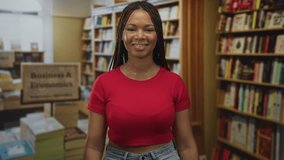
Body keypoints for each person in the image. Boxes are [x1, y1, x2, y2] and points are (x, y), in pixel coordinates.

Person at [84, 1, 198, 160]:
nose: (140, 35)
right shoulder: (103, 83)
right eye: (131, 29)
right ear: (122, 34)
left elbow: (186, 145)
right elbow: (94, 146)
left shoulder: (175, 83)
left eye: (148, 29)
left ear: (157, 34)